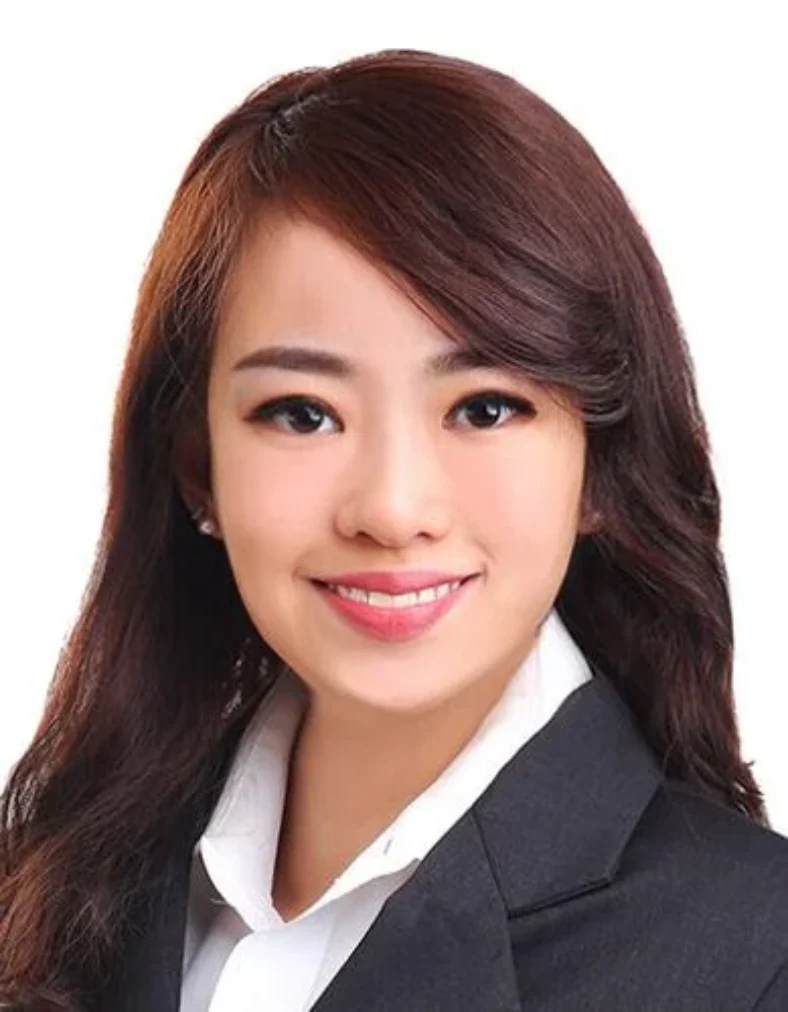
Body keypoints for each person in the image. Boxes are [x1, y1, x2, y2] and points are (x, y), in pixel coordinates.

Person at [1, 46, 786, 1012]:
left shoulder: (758, 954)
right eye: (301, 413)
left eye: (485, 408)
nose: (392, 508)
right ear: (199, 468)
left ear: (600, 466)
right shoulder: (49, 883)